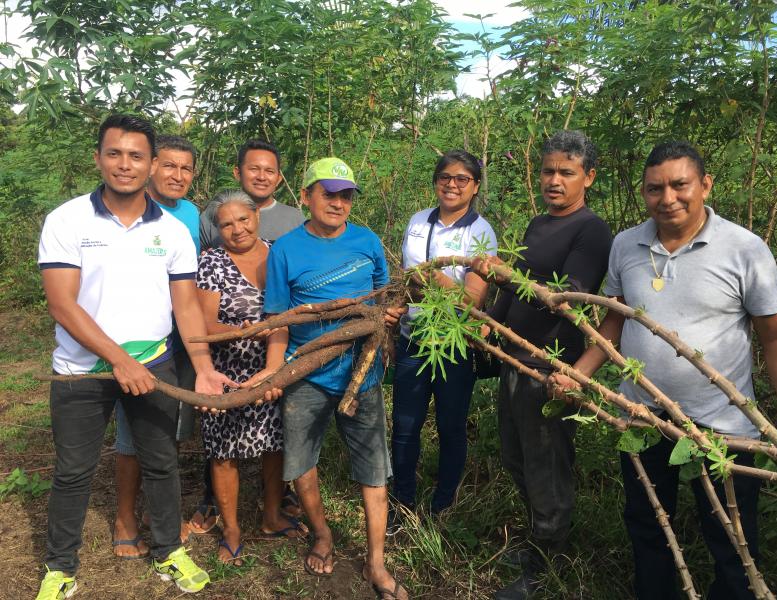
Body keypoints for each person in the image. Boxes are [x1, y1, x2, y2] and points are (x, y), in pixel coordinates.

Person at [551, 141, 777, 600]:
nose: (668, 198)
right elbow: (614, 320)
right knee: (648, 526)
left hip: (723, 427)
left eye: (680, 185)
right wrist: (579, 373)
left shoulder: (745, 249)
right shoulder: (626, 244)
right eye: (655, 188)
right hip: (642, 416)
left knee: (733, 538)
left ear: (705, 185)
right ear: (643, 192)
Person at [35, 115, 235, 599]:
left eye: (136, 156)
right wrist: (118, 360)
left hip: (155, 363)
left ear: (151, 164)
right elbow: (62, 304)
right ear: (98, 158)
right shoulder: (67, 220)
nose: (125, 164)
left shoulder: (173, 230)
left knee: (162, 462)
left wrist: (204, 369)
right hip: (80, 370)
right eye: (115, 153)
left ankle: (169, 550)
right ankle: (60, 566)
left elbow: (186, 307)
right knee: (73, 471)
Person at [253, 158, 408, 599]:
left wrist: (387, 317)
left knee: (373, 467)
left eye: (346, 196)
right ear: (306, 197)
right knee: (302, 462)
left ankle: (376, 561)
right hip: (307, 372)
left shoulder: (367, 240)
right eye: (329, 194)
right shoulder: (285, 249)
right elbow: (279, 319)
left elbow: (382, 297)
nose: (338, 203)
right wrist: (275, 370)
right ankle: (322, 535)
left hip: (363, 372)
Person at [476, 131, 613, 600]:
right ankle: (539, 540)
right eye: (548, 171)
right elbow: (515, 282)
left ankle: (546, 564)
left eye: (566, 173)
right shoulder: (538, 224)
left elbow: (566, 294)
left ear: (588, 178)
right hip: (514, 357)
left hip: (550, 365)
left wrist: (503, 276)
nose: (554, 180)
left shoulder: (592, 230)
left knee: (546, 465)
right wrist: (492, 322)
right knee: (516, 456)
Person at [196, 189, 308, 565]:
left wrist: (271, 367)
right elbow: (204, 324)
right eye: (226, 224)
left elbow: (288, 312)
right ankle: (231, 529)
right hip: (224, 370)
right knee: (223, 450)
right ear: (218, 229)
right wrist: (240, 331)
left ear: (256, 217)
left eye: (243, 219)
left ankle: (272, 515)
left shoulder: (279, 252)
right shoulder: (212, 261)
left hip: (273, 365)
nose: (237, 229)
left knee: (274, 444)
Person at [391, 150, 497, 519]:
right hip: (413, 338)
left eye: (462, 179)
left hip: (454, 345)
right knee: (405, 427)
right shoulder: (418, 221)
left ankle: (443, 506)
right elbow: (405, 277)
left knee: (451, 426)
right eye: (445, 177)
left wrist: (437, 280)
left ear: (475, 186)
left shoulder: (480, 232)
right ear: (436, 181)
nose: (452, 185)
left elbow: (473, 300)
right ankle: (402, 502)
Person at [112, 134, 202, 558]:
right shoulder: (127, 212)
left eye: (185, 168)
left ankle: (158, 511)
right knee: (131, 435)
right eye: (169, 165)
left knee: (168, 429)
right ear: (150, 167)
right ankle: (124, 518)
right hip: (138, 342)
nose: (177, 175)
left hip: (181, 339)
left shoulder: (192, 214)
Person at [199, 139, 304, 249]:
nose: (261, 177)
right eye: (254, 169)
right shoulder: (213, 216)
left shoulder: (296, 221)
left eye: (269, 171)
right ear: (238, 173)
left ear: (278, 179)